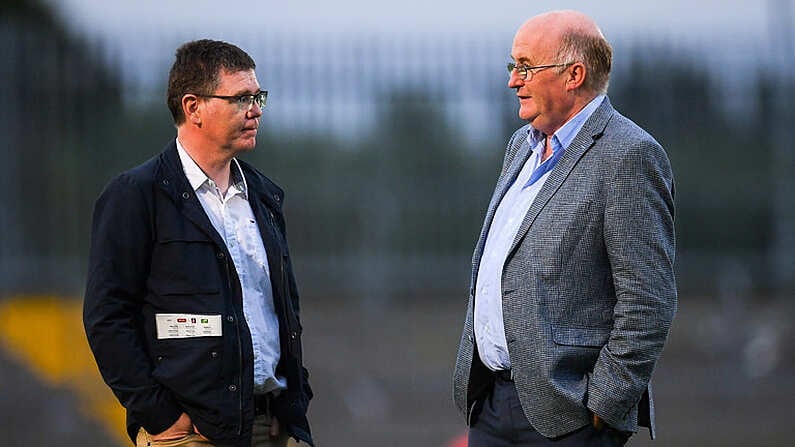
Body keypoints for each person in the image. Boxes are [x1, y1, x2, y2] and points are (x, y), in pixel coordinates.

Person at [452, 10, 677, 447]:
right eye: (511, 66)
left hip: (568, 417)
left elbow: (648, 300)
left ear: (574, 74)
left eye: (525, 67)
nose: (513, 81)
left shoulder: (629, 155)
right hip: (492, 406)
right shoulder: (522, 145)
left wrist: (602, 405)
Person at [83, 39, 313, 447]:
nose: (256, 109)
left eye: (258, 96)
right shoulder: (137, 194)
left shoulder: (264, 195)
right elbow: (107, 318)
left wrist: (294, 401)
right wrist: (161, 417)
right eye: (241, 98)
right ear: (193, 108)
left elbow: (280, 310)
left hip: (271, 425)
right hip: (190, 434)